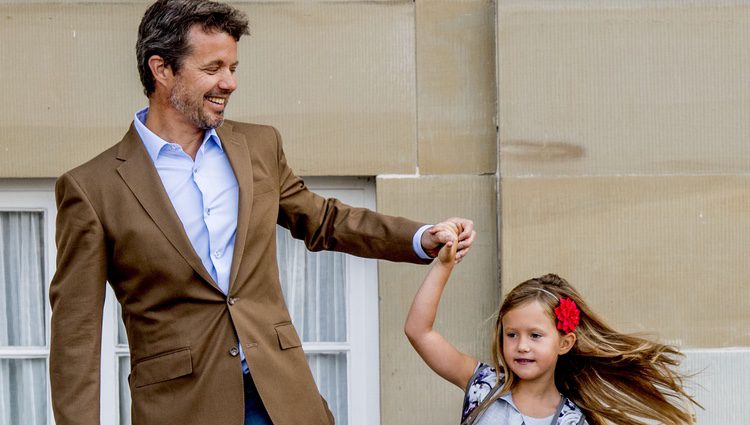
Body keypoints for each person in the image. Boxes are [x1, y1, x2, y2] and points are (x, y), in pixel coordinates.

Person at [48, 1, 476, 424]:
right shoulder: (92, 188)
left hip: (284, 398)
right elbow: (76, 337)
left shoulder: (258, 146)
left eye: (233, 68)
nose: (229, 83)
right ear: (161, 69)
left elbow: (324, 219)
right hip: (183, 408)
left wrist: (420, 237)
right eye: (213, 68)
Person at [405, 223, 699, 425]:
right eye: (511, 334)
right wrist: (444, 264)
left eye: (535, 335)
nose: (522, 346)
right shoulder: (483, 385)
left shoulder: (572, 417)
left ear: (565, 342)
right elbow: (419, 331)